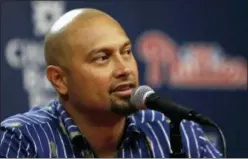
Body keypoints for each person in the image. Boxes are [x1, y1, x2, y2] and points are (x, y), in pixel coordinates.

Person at [0, 8, 223, 158]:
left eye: (126, 52)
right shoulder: (22, 141)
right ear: (59, 80)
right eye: (102, 58)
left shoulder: (178, 133)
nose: (124, 68)